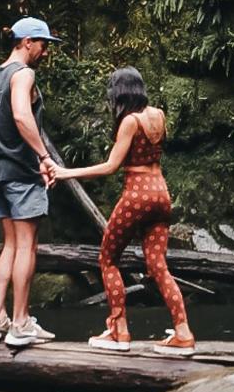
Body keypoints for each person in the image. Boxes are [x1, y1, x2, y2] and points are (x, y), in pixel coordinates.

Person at [50, 67, 196, 356]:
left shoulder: (130, 121)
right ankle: (183, 332)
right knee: (158, 266)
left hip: (138, 195)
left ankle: (119, 331)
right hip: (161, 194)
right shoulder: (159, 115)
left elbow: (110, 166)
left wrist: (65, 173)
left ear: (120, 92)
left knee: (108, 259)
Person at [0, 16, 61, 348]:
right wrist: (44, 156)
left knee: (10, 246)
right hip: (20, 171)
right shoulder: (23, 74)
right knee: (27, 246)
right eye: (43, 44)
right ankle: (21, 323)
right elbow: (20, 115)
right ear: (27, 42)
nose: (46, 52)